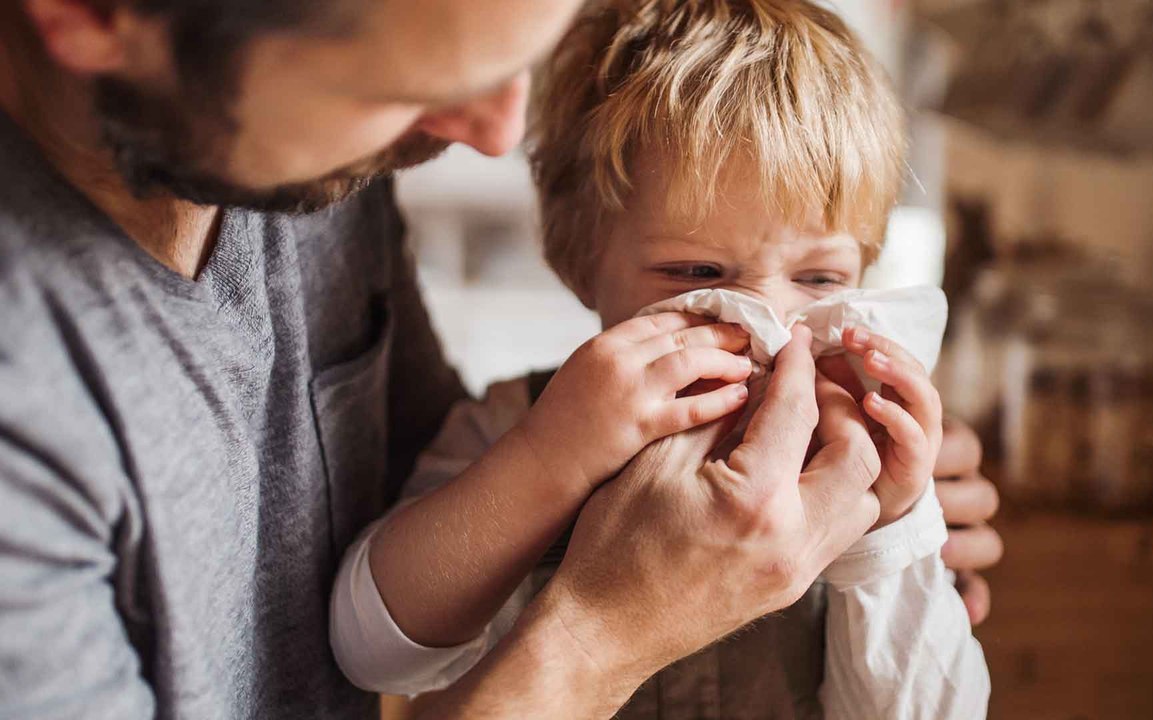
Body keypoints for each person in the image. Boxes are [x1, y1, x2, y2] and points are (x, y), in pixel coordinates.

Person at [0, 0, 1002, 718]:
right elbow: (376, 633)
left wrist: (895, 533)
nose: (495, 136)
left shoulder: (312, 158)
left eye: (820, 282)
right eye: (407, 86)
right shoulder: (27, 402)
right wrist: (602, 615)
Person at [329, 2, 988, 717]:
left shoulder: (858, 456)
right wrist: (551, 458)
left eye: (820, 280)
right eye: (698, 274)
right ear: (583, 264)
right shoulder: (523, 423)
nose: (770, 324)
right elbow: (372, 651)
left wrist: (891, 531)